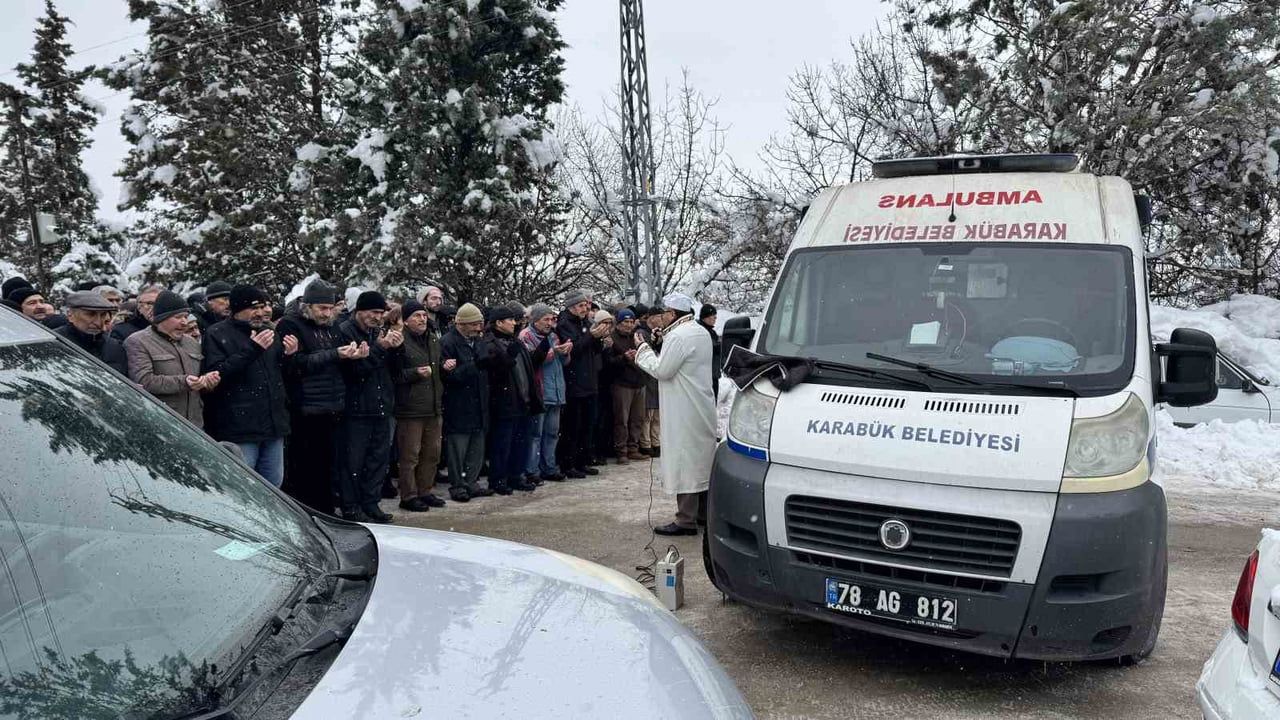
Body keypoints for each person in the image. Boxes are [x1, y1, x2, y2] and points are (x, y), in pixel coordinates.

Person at [634, 293, 716, 536]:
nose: (661, 318)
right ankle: (703, 514)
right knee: (701, 460)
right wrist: (662, 342)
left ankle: (685, 519)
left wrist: (643, 349)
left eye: (664, 313)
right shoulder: (699, 331)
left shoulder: (679, 336)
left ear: (672, 314)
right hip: (699, 403)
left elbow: (663, 370)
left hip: (683, 407)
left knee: (685, 460)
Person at [202, 285, 297, 487]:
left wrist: (290, 356)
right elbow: (217, 374)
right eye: (254, 308)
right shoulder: (216, 333)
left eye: (263, 307)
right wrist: (252, 350)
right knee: (243, 485)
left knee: (273, 484)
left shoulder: (269, 331)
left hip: (274, 424)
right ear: (238, 309)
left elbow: (280, 373)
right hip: (240, 426)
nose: (261, 313)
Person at [277, 279, 359, 514]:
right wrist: (334, 354)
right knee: (307, 468)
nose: (327, 313)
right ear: (307, 306)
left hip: (333, 406)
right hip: (306, 408)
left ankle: (326, 511)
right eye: (322, 308)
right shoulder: (290, 325)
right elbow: (294, 365)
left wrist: (354, 355)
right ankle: (310, 513)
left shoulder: (333, 327)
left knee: (330, 466)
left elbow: (339, 359)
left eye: (330, 308)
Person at [337, 290, 402, 523]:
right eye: (374, 312)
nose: (378, 317)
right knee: (353, 462)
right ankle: (351, 505)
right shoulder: (345, 332)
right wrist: (380, 348)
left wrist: (396, 348)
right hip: (356, 408)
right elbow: (355, 371)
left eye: (381, 313)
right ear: (360, 311)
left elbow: (393, 370)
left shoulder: (378, 332)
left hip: (380, 404)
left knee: (378, 460)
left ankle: (371, 502)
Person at [125, 289, 220, 427]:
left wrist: (208, 382)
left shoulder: (192, 343)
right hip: (161, 423)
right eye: (178, 317)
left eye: (186, 316)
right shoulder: (138, 341)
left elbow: (199, 382)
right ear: (161, 318)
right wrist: (184, 382)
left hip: (195, 425)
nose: (184, 322)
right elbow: (144, 381)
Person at [393, 299, 446, 512]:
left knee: (432, 453)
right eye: (417, 316)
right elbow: (394, 374)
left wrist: (444, 367)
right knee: (410, 455)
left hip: (434, 406)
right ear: (406, 320)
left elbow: (437, 367)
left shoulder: (433, 339)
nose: (422, 319)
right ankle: (408, 495)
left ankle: (426, 491)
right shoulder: (400, 341)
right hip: (410, 408)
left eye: (424, 315)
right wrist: (415, 373)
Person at [440, 303, 496, 502]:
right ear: (461, 324)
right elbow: (450, 376)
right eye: (473, 324)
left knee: (477, 447)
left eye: (479, 324)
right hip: (458, 404)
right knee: (458, 448)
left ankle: (472, 482)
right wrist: (474, 366)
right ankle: (458, 485)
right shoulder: (448, 343)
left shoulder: (478, 341)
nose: (478, 328)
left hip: (479, 401)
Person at [485, 303, 543, 495]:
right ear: (498, 323)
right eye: (510, 320)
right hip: (504, 401)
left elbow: (529, 366)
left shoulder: (515, 341)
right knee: (502, 444)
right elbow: (494, 372)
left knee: (521, 442)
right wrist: (508, 355)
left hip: (522, 400)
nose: (514, 323)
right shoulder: (489, 342)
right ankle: (498, 479)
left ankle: (516, 476)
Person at [556, 291, 605, 479]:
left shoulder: (586, 323)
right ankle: (568, 463)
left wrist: (598, 338)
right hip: (574, 382)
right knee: (572, 426)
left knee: (587, 424)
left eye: (586, 305)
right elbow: (573, 349)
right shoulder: (564, 324)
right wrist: (591, 336)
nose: (585, 308)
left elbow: (595, 349)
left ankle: (582, 461)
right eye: (581, 305)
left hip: (589, 380)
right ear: (571, 307)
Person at [520, 303, 569, 482]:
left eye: (552, 319)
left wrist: (565, 352)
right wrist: (552, 352)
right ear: (535, 320)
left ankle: (549, 467)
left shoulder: (554, 336)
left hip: (556, 391)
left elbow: (563, 363)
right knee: (535, 435)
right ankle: (532, 470)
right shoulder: (525, 336)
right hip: (539, 391)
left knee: (552, 433)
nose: (550, 323)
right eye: (545, 319)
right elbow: (532, 361)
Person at [607, 308, 648, 464]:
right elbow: (608, 363)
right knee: (622, 420)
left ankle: (633, 448)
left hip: (639, 381)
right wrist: (623, 358)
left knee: (637, 419)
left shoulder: (636, 337)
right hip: (622, 383)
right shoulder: (612, 338)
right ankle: (621, 450)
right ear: (618, 323)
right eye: (626, 322)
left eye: (631, 322)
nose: (629, 325)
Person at [54, 291, 129, 375]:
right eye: (90, 314)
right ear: (70, 315)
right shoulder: (53, 342)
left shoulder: (115, 347)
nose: (98, 322)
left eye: (103, 315)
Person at [591, 309, 617, 465]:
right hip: (595, 382)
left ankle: (603, 449)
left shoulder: (610, 339)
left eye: (609, 323)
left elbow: (611, 363)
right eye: (604, 323)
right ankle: (595, 451)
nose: (607, 326)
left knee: (606, 419)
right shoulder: (594, 338)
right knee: (596, 420)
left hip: (607, 384)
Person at [638, 305, 663, 458]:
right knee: (647, 413)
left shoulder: (656, 333)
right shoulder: (641, 333)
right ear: (652, 318)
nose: (662, 320)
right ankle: (646, 443)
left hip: (656, 377)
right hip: (646, 377)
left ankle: (656, 442)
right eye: (659, 317)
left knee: (656, 414)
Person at [699, 303, 722, 401]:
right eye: (714, 316)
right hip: (705, 375)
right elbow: (709, 347)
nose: (715, 318)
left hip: (712, 373)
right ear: (706, 317)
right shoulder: (701, 331)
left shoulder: (711, 332)